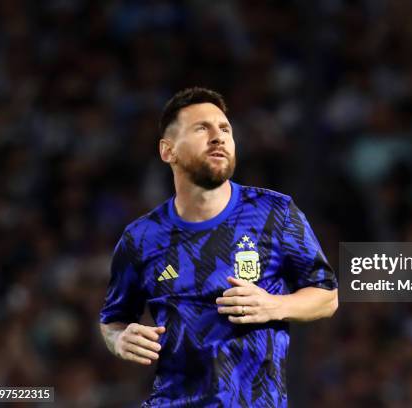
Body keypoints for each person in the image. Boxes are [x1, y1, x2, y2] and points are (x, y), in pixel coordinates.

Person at [99, 87, 338, 407]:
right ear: (167, 151)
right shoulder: (141, 238)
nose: (218, 136)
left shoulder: (275, 212)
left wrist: (275, 305)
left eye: (225, 129)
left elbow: (327, 296)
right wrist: (120, 340)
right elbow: (113, 320)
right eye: (202, 128)